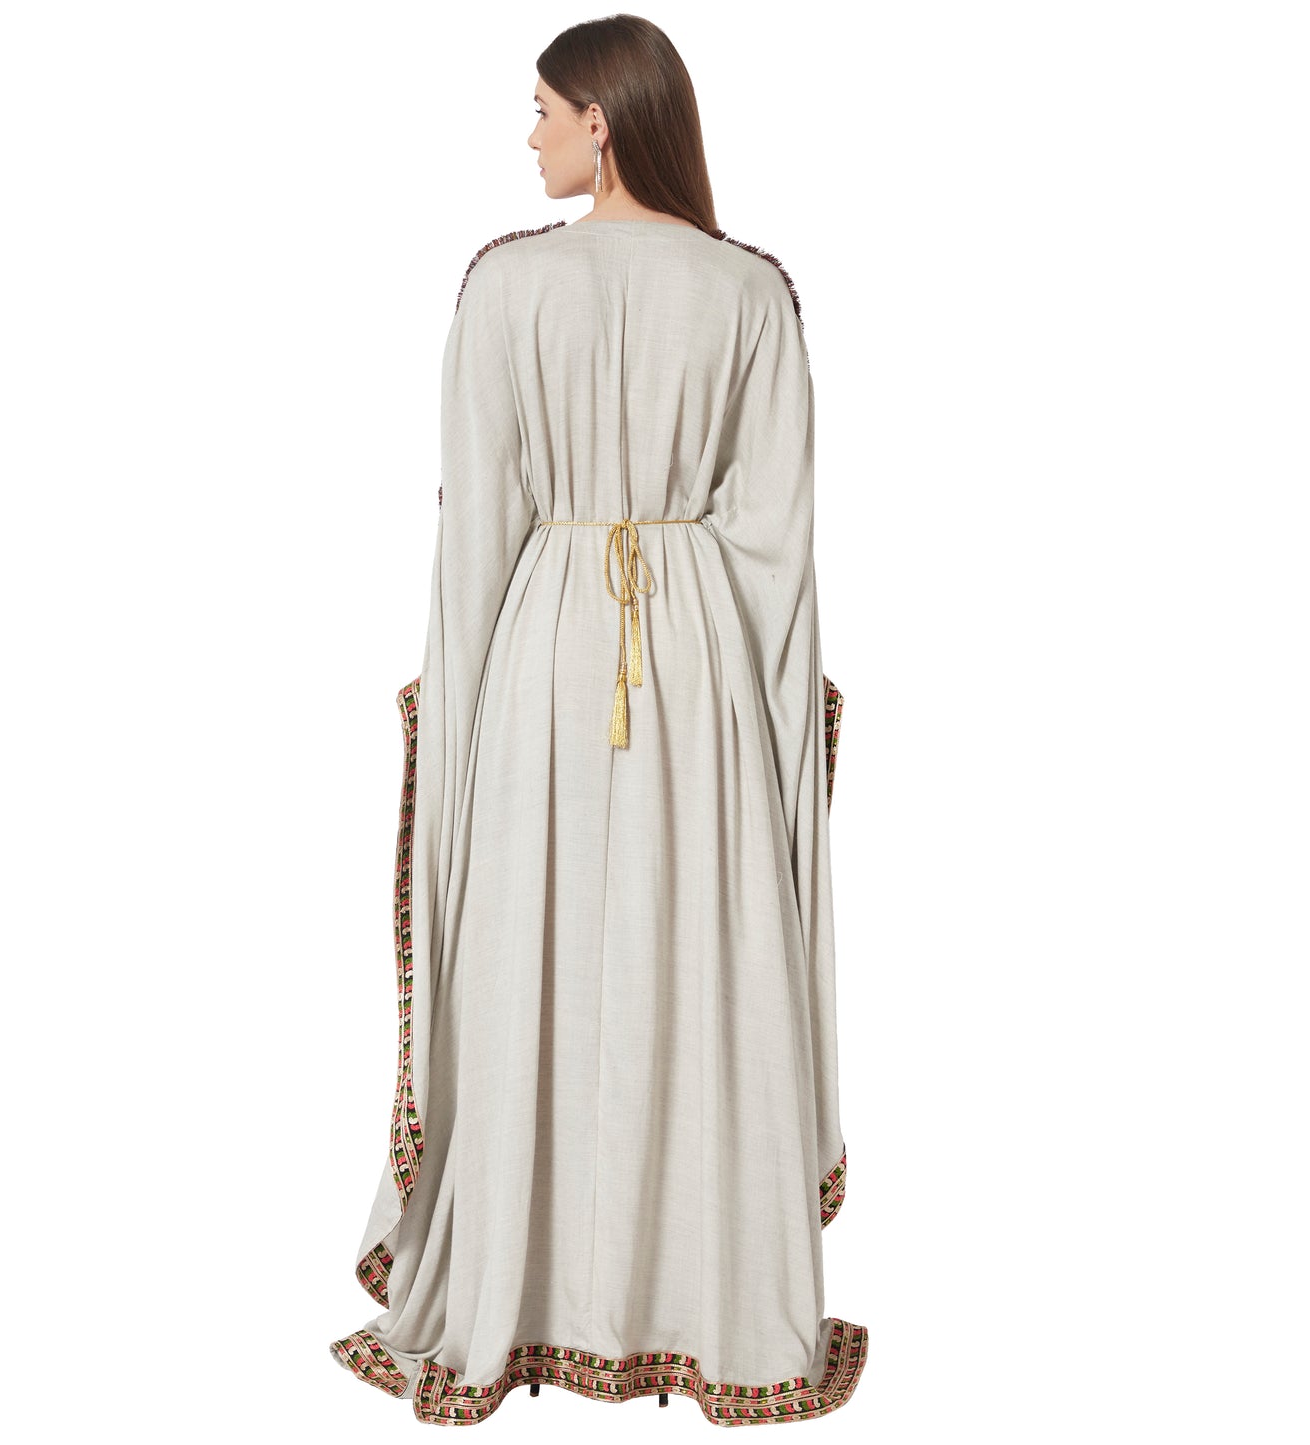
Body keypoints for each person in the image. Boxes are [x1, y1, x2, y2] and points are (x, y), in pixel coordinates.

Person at [328, 15, 867, 1426]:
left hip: (546, 648)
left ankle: (526, 1292)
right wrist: (777, 726)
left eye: (540, 109)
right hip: (699, 663)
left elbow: (477, 526)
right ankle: (705, 1296)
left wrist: (452, 712)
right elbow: (776, 546)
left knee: (535, 955)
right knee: (699, 959)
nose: (529, 137)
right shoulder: (750, 290)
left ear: (603, 120)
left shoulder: (506, 286)